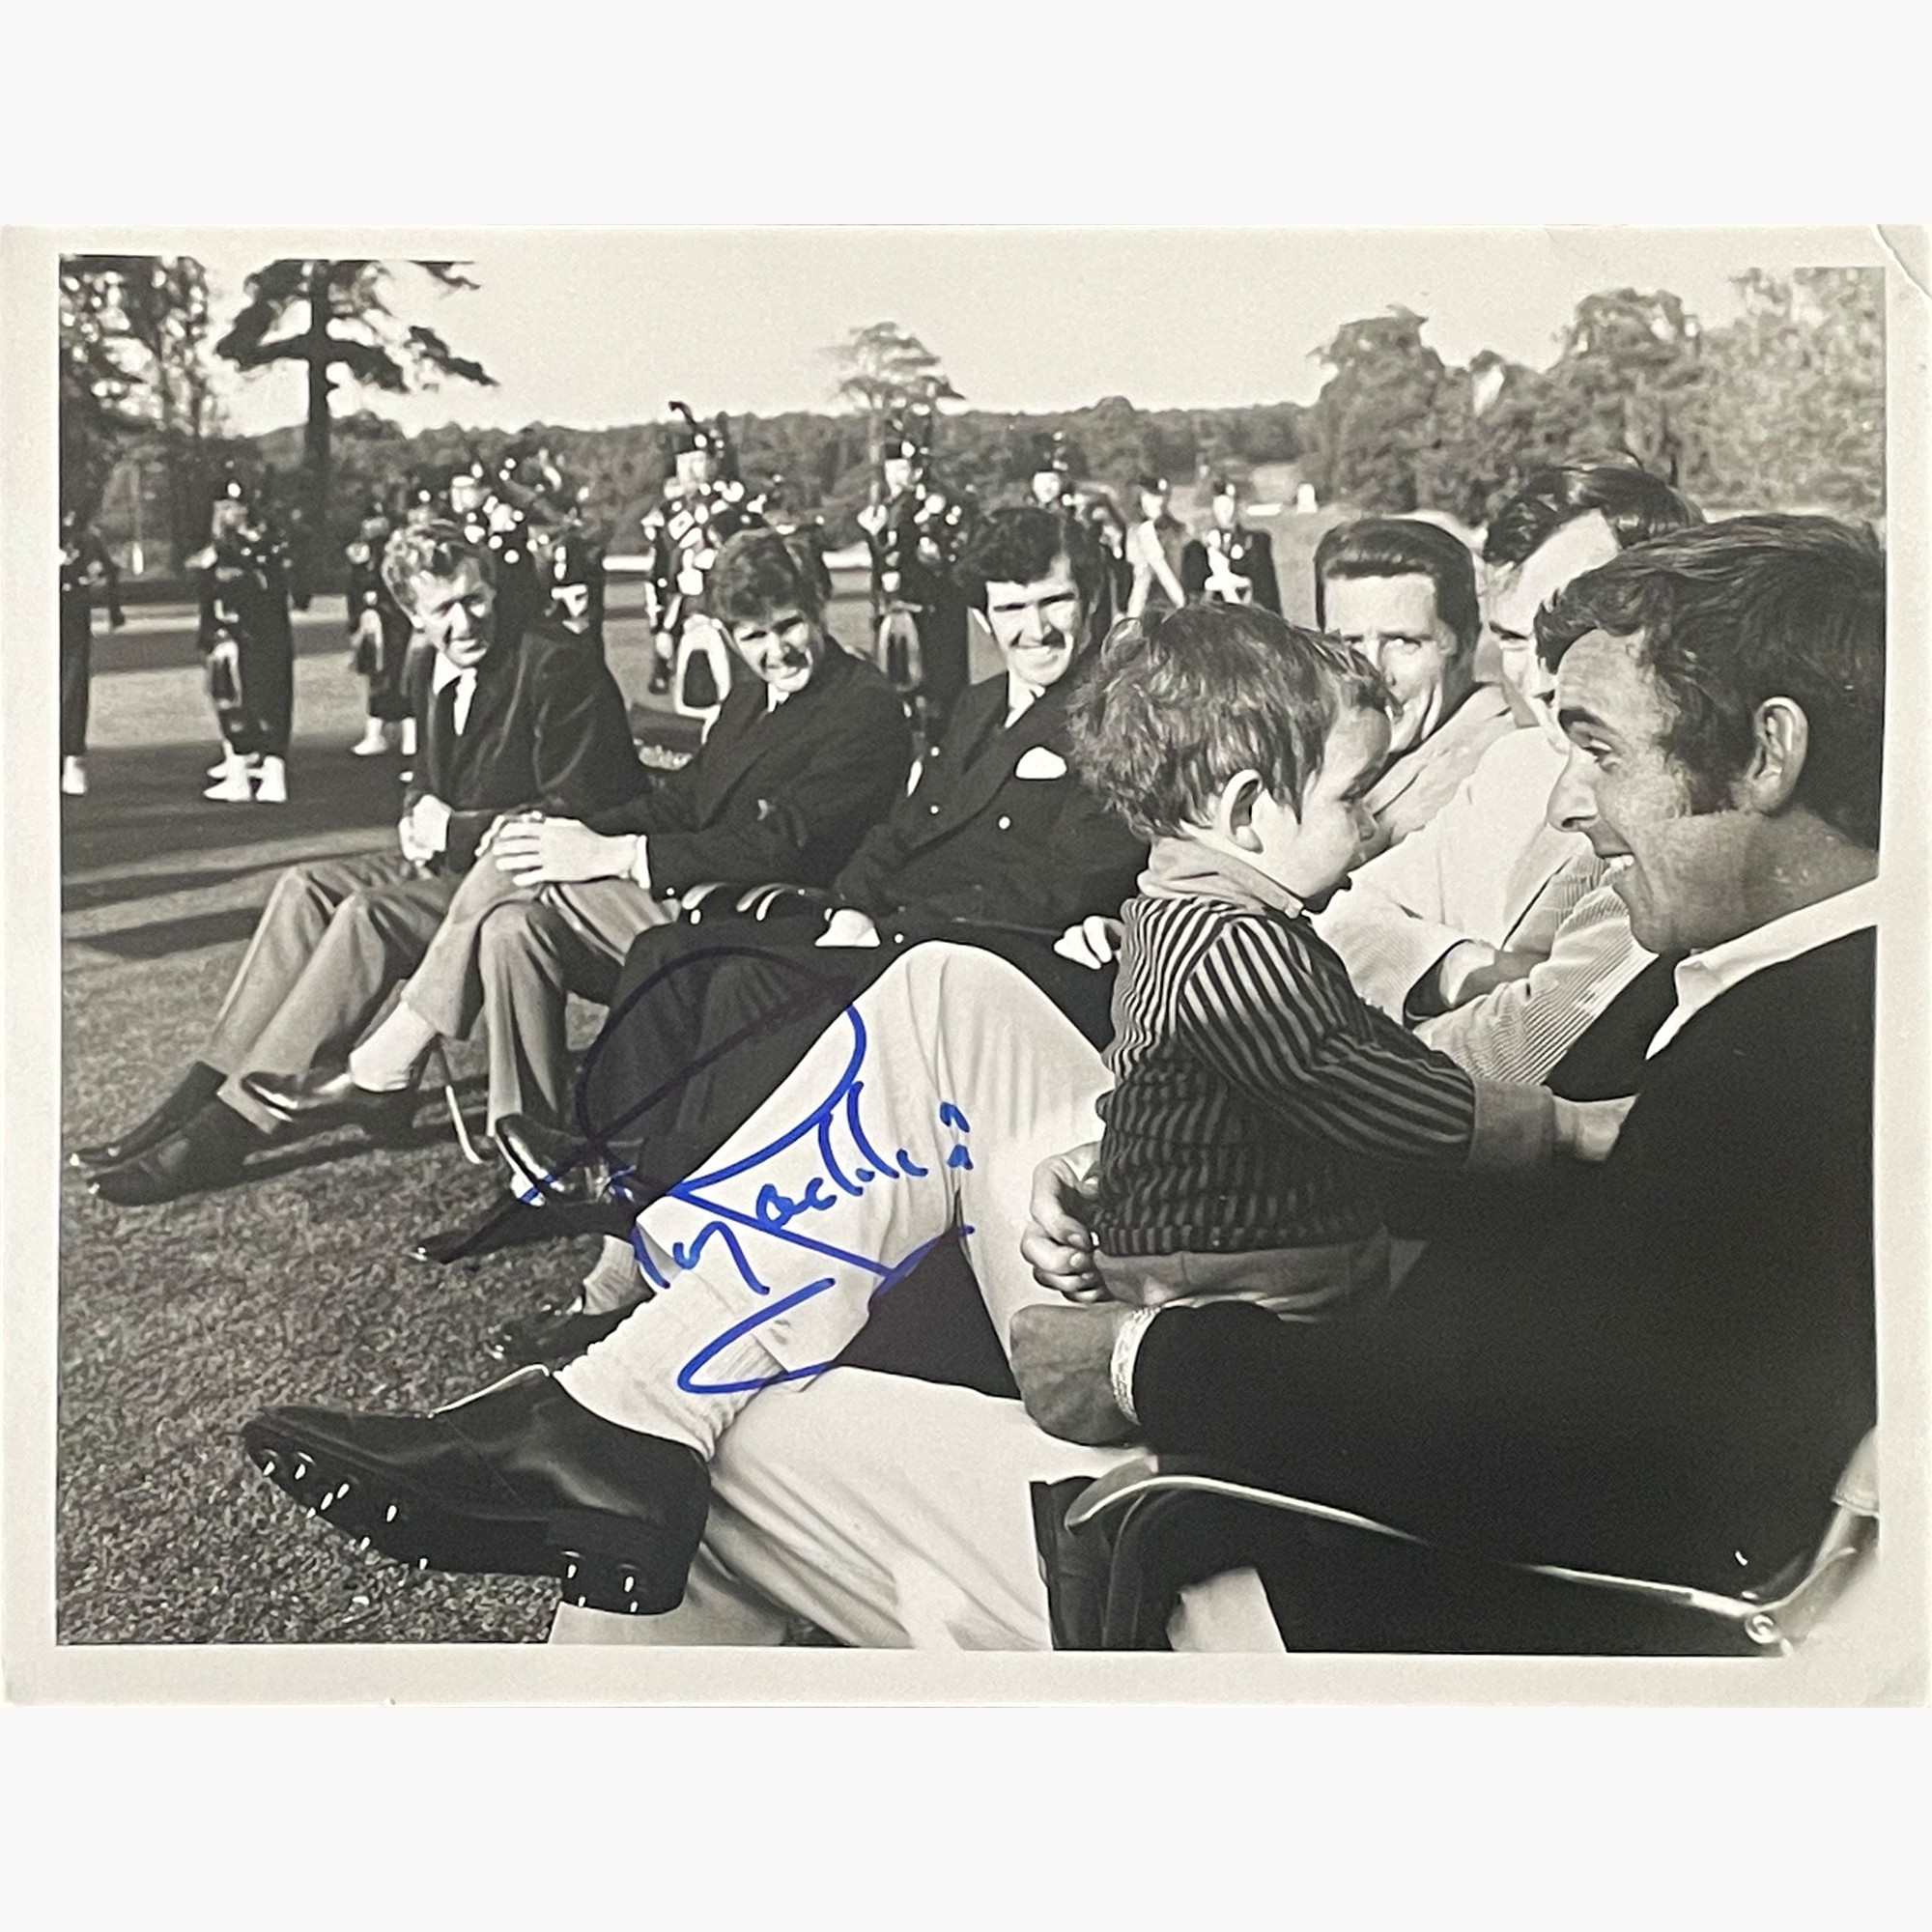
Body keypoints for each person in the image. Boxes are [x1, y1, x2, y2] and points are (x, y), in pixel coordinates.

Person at [239, 513, 1883, 1654]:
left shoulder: (1820, 1051)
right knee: (941, 990)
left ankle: (616, 1424)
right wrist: (1188, 1159)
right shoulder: (1757, 979)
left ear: (1775, 755)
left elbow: (1571, 1442)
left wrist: (1153, 1350)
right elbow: (1466, 1118)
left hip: (1321, 1543)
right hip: (1320, 1305)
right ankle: (619, 1388)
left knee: (715, 1447)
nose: (1575, 807)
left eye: (1594, 745)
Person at [432, 506, 1146, 1348]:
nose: (1035, 629)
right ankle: (616, 1208)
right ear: (985, 616)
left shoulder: (1115, 712)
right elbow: (902, 830)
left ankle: (645, 1236)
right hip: (887, 925)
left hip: (974, 957)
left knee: (746, 983)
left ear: (1090, 596)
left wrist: (887, 928)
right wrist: (851, 904)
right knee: (673, 953)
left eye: (1052, 602)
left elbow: (1067, 878)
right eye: (1013, 609)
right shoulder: (982, 703)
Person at [255, 526, 913, 1175]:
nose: (778, 651)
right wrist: (576, 833)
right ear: (728, 636)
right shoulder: (747, 700)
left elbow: (783, 844)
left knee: (523, 860)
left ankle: (390, 1058)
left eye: (790, 625)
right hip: (685, 912)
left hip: (764, 931)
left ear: (820, 609)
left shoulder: (864, 707)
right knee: (516, 920)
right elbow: (682, 801)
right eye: (754, 636)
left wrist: (617, 855)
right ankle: (535, 1153)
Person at [1066, 605, 1623, 1324]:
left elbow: (1357, 1038)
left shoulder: (1184, 915)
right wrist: (1561, 1128)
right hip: (1237, 1278)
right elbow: (1356, 1081)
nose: (1369, 827)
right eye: (1353, 796)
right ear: (1245, 814)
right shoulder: (1230, 948)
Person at [74, 519, 644, 1206]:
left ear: (492, 586)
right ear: (412, 614)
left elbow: (580, 809)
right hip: (451, 866)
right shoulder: (422, 659)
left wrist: (454, 830)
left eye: (475, 599)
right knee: (304, 886)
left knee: (367, 917)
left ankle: (232, 1126)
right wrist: (414, 815)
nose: (465, 622)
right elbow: (425, 775)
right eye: (443, 610)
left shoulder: (553, 659)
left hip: (534, 877)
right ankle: (205, 1088)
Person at [1312, 466, 1701, 1082]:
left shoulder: (1674, 804)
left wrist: (1326, 1040)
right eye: (1517, 638)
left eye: (1578, 628)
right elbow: (1336, 922)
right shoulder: (1514, 767)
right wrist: (1461, 967)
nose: (1542, 676)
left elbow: (1519, 1053)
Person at [1312, 516, 1517, 857]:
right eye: (1348, 645)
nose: (1372, 672)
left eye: (1403, 642)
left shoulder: (1497, 771)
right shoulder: (1335, 753)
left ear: (1467, 644)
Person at [857, 413, 976, 739]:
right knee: (897, 687)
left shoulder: (935, 505)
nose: (897, 475)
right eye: (892, 468)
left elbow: (938, 559)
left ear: (918, 469)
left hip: (932, 613)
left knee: (940, 692)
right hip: (896, 611)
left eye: (904, 467)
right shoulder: (888, 507)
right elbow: (885, 566)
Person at [639, 403, 761, 706]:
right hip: (682, 615)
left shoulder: (734, 509)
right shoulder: (668, 515)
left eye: (699, 460)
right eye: (685, 461)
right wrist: (659, 628)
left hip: (727, 614)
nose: (692, 470)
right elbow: (657, 574)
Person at [194, 477, 296, 806]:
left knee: (249, 702)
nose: (229, 513)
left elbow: (218, 595)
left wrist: (216, 632)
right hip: (259, 634)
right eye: (224, 506)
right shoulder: (262, 544)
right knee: (259, 701)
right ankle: (261, 773)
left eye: (233, 506)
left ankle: (251, 775)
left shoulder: (241, 548)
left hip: (246, 635)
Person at [59, 510, 124, 796]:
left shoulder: (86, 541)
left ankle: (73, 757)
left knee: (72, 687)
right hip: (29, 620)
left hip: (72, 618)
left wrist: (114, 610)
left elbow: (108, 570)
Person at [344, 498, 414, 755]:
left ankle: (410, 734)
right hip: (375, 621)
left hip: (397, 620)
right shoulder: (362, 552)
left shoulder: (400, 551)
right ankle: (376, 732)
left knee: (402, 674)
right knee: (378, 674)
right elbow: (356, 586)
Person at [1180, 475, 1281, 614]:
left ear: (1237, 506)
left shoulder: (1254, 542)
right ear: (1212, 507)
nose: (1225, 510)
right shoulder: (1197, 548)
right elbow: (1193, 595)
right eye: (1220, 505)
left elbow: (1266, 595)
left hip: (1248, 618)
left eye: (1229, 504)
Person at [1122, 473, 1187, 619]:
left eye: (1164, 496)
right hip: (1145, 607)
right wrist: (1181, 602)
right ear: (1140, 497)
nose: (1160, 502)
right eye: (1153, 497)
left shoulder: (1175, 529)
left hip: (1168, 606)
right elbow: (1158, 566)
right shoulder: (1140, 530)